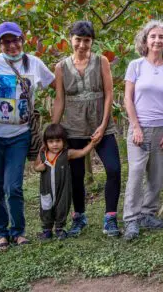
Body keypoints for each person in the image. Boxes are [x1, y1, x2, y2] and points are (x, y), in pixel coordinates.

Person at [0, 22, 55, 251]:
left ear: (22, 40)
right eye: (6, 42)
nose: (12, 45)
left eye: (15, 40)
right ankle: (0, 233)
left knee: (13, 186)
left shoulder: (34, 63)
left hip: (20, 134)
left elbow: (56, 84)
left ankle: (18, 232)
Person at [52, 20, 122, 237]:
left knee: (113, 169)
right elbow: (60, 100)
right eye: (78, 40)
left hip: (101, 126)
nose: (82, 45)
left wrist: (103, 125)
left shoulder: (101, 61)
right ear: (70, 39)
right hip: (73, 128)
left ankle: (110, 217)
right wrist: (53, 130)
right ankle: (79, 216)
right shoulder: (61, 67)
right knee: (76, 175)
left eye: (87, 40)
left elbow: (109, 94)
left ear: (92, 41)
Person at [122, 20, 163, 240]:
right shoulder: (135, 66)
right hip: (140, 129)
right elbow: (128, 99)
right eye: (153, 36)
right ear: (145, 41)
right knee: (136, 174)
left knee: (157, 175)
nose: (157, 40)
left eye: (161, 37)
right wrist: (136, 127)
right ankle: (131, 219)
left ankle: (148, 214)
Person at [34, 124, 97, 240]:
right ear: (46, 142)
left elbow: (82, 152)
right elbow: (36, 166)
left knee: (62, 208)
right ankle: (47, 230)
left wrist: (92, 143)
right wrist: (39, 168)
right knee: (46, 208)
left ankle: (60, 228)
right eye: (51, 141)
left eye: (58, 141)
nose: (55, 144)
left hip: (63, 189)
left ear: (63, 141)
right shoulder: (42, 154)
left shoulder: (66, 154)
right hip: (46, 189)